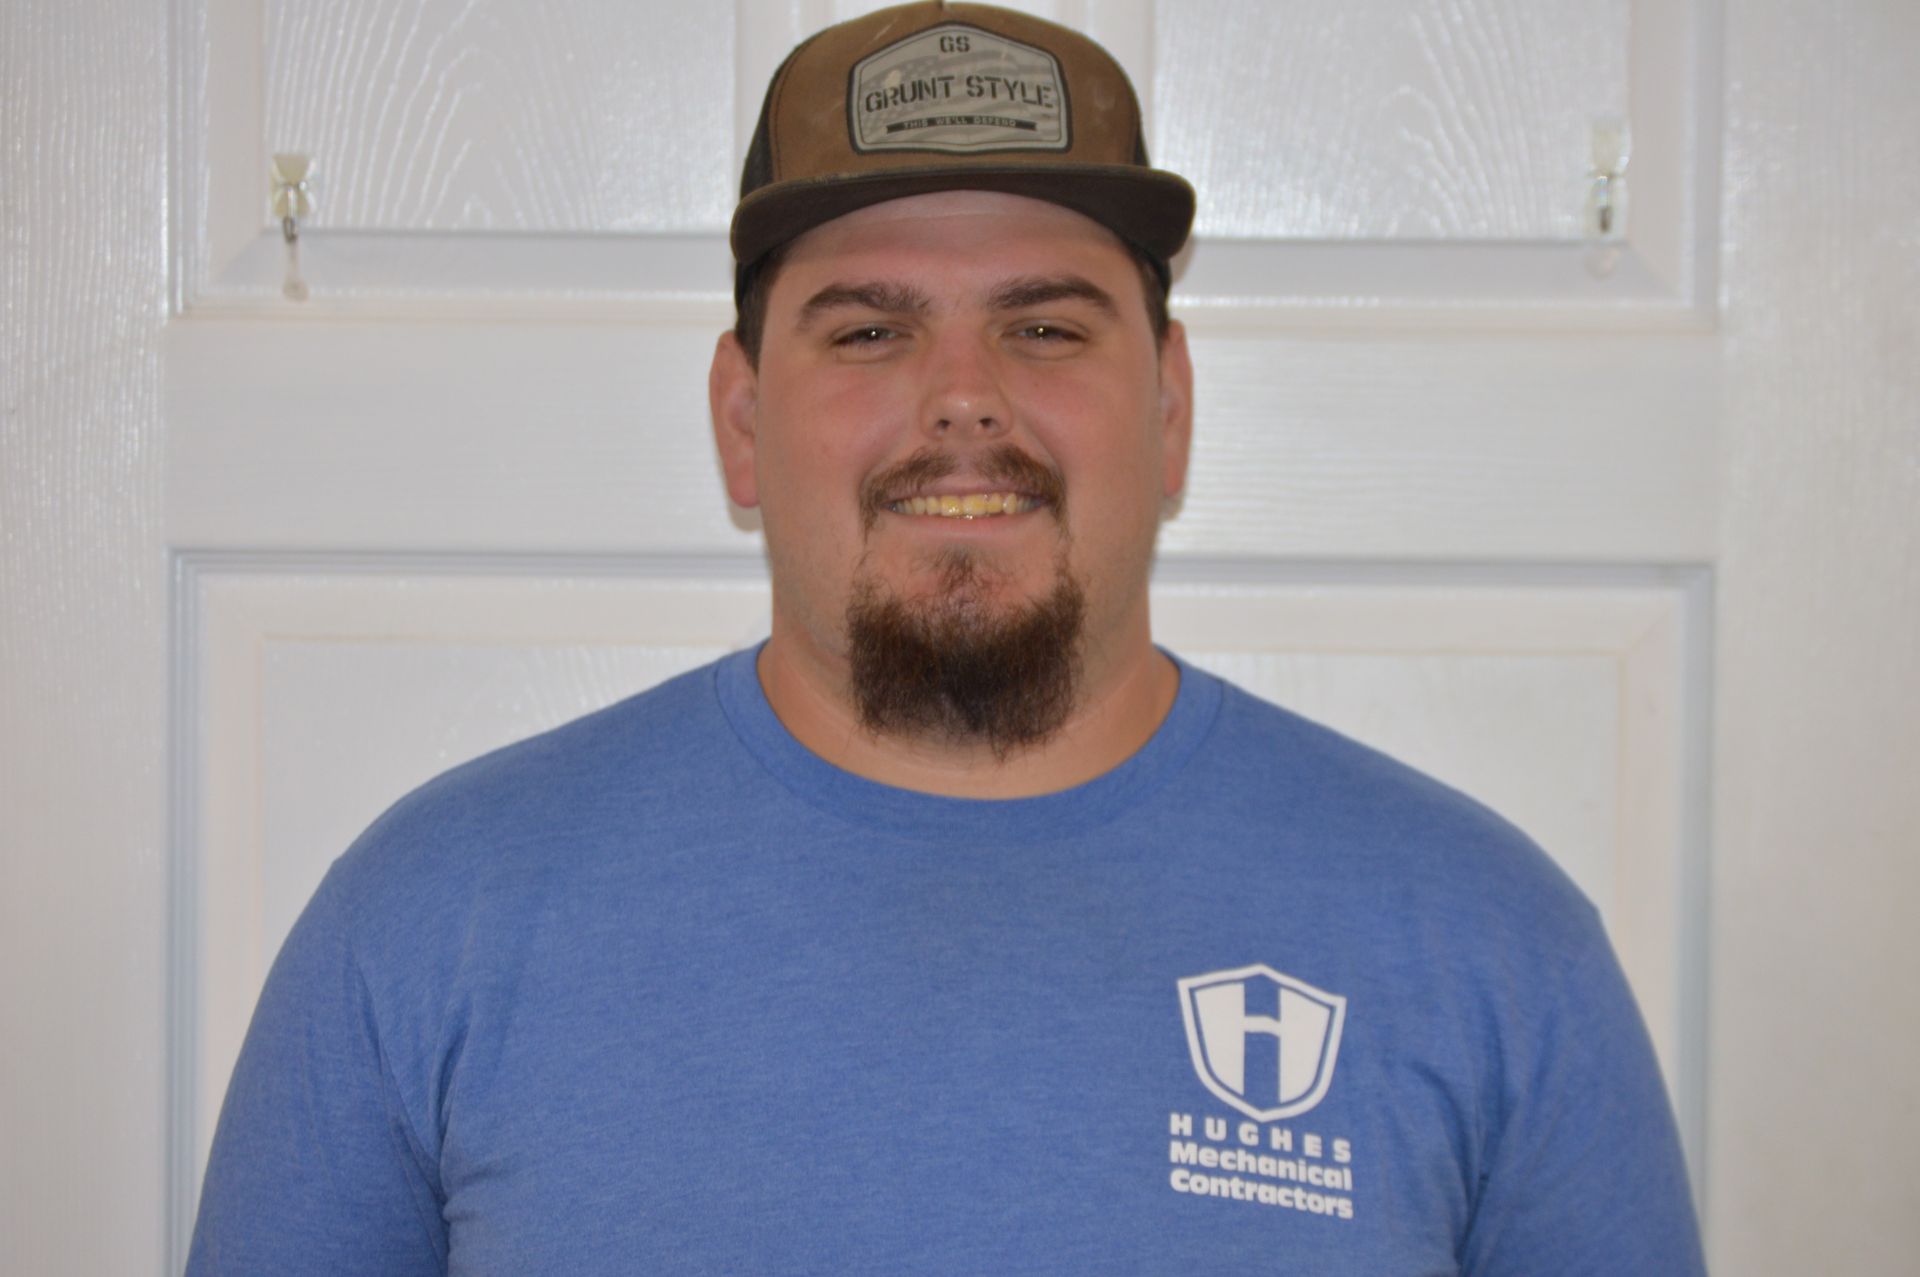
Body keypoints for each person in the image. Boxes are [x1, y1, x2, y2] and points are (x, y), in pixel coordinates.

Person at [187, 4, 1705, 1273]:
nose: (965, 395)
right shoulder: (429, 924)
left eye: (1046, 326)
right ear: (741, 419)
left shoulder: (1488, 945)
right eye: (869, 330)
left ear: (1170, 408)